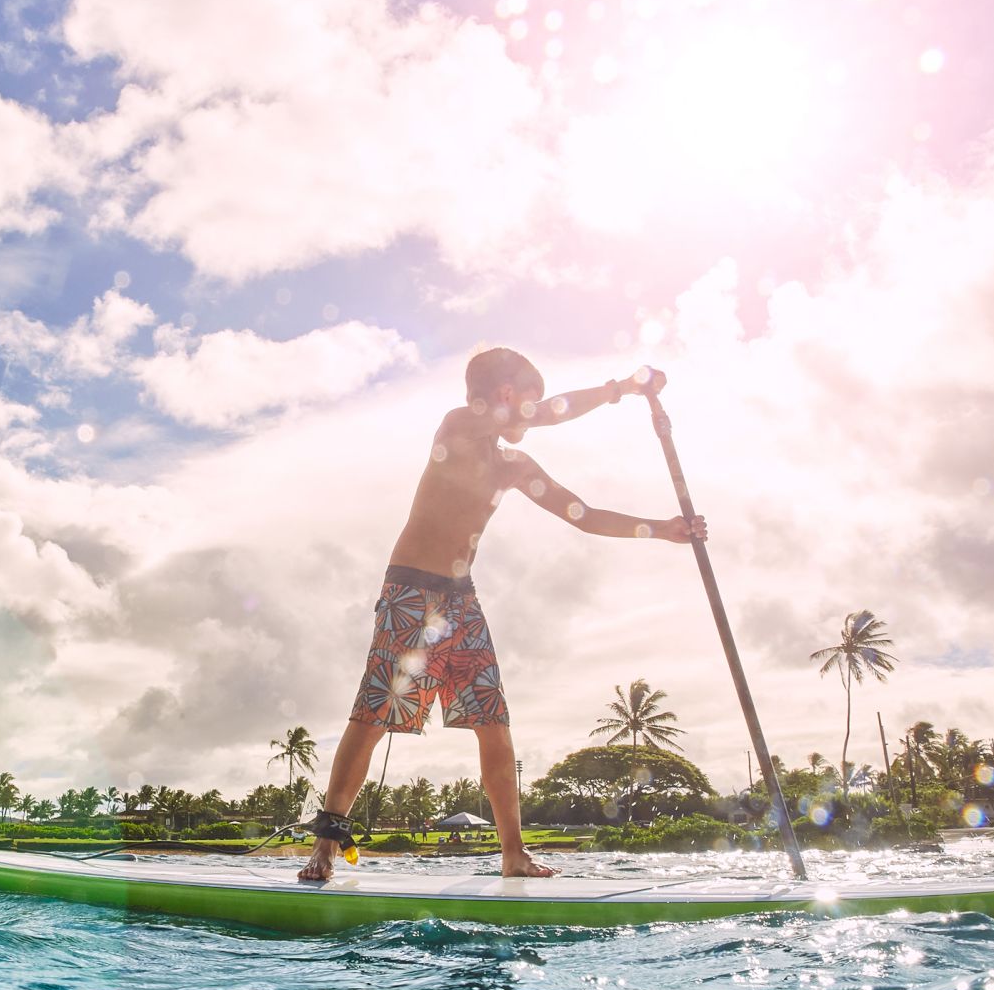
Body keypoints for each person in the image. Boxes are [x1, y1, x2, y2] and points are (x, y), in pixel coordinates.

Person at [298, 349, 706, 882]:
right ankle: (326, 848)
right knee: (374, 718)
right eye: (529, 397)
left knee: (494, 726)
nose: (534, 412)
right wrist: (621, 388)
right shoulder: (458, 426)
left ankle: (512, 853)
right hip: (410, 593)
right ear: (506, 395)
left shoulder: (513, 466)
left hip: (461, 602)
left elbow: (583, 515)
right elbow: (547, 413)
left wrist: (663, 527)